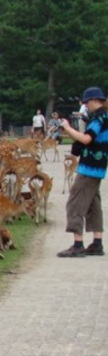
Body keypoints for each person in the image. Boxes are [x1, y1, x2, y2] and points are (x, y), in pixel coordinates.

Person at [56, 86, 108, 258]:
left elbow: (87, 139)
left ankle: (78, 243)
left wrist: (68, 128)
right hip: (98, 165)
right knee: (93, 203)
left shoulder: (99, 117)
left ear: (94, 101)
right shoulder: (104, 116)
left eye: (86, 103)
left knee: (75, 202)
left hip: (89, 167)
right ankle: (97, 243)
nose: (85, 106)